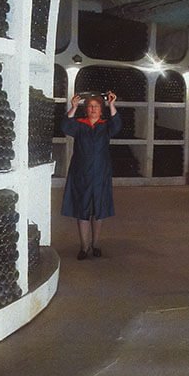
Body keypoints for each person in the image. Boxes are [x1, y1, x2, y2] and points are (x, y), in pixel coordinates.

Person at [61, 91, 122, 260]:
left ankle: (95, 244)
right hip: (81, 174)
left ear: (101, 110)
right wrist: (73, 107)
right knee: (83, 210)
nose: (93, 109)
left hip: (101, 174)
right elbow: (65, 126)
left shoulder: (105, 126)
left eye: (96, 106)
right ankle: (84, 246)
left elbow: (117, 125)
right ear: (86, 109)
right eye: (90, 106)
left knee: (98, 210)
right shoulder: (80, 125)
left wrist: (112, 104)